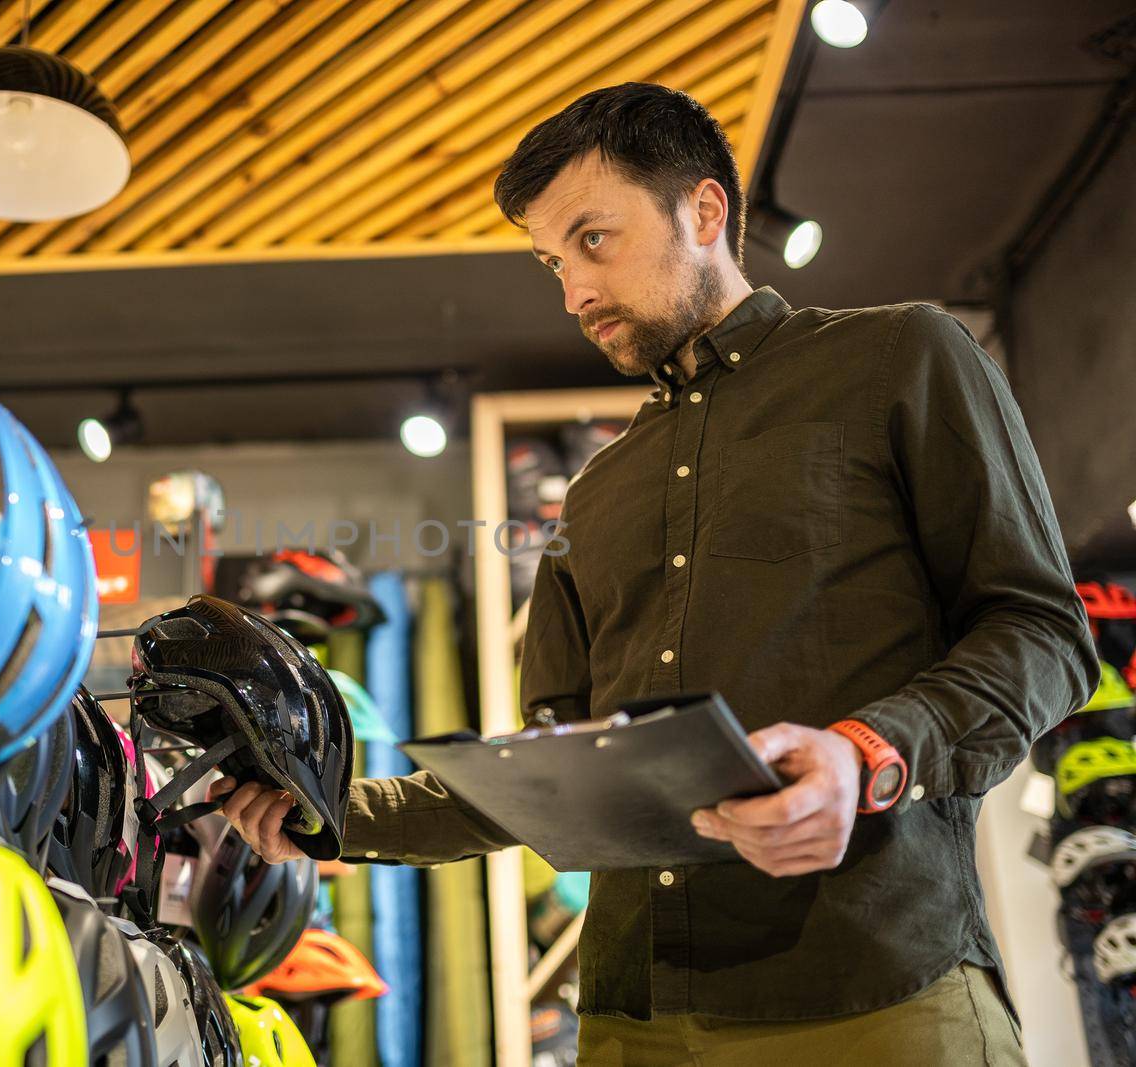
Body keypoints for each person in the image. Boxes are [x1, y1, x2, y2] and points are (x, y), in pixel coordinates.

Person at [210, 82, 1096, 1066]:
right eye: (551, 261)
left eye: (593, 240)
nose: (571, 292)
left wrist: (864, 750)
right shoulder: (591, 493)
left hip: (871, 991)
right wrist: (331, 814)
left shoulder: (897, 357)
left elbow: (1042, 635)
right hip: (632, 1017)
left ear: (704, 210)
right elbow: (548, 766)